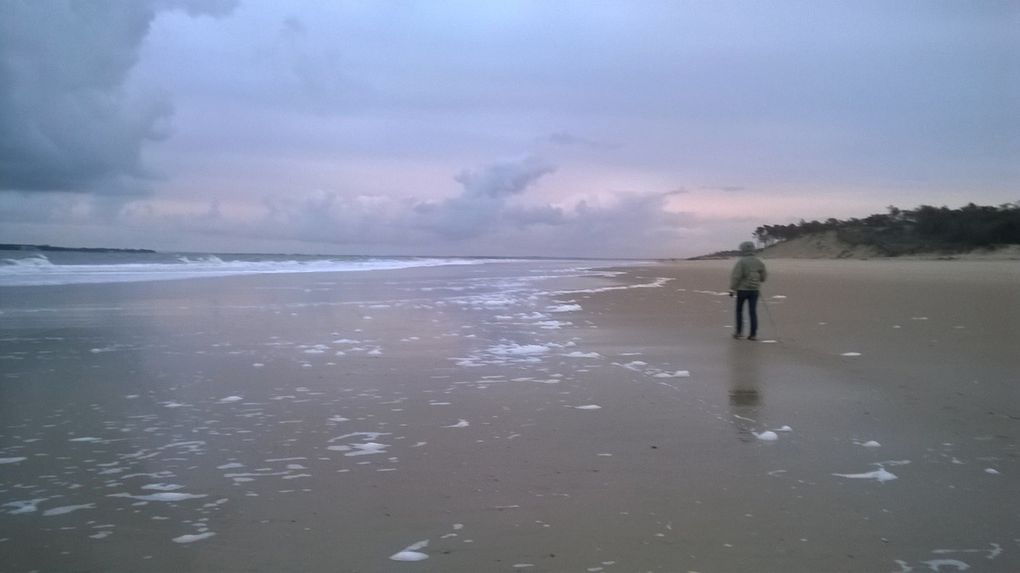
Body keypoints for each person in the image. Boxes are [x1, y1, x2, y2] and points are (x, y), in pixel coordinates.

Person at [729, 241, 767, 340]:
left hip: (742, 290)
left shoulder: (741, 262)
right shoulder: (758, 261)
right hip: (755, 290)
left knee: (739, 311)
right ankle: (753, 335)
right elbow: (763, 277)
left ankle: (738, 333)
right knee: (753, 312)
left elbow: (736, 276)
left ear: (743, 250)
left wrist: (732, 289)